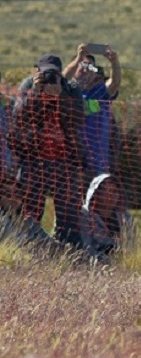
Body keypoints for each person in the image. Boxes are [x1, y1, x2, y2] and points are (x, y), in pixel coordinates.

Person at [8, 54, 86, 247]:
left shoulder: (70, 88)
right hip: (33, 159)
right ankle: (30, 248)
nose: (50, 77)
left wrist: (61, 95)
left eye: (54, 73)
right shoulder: (28, 86)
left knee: (69, 214)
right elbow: (19, 117)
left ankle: (71, 252)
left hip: (65, 161)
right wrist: (36, 92)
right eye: (46, 73)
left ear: (61, 74)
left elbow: (78, 119)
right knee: (29, 211)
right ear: (37, 72)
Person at [62, 44, 122, 177]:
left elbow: (115, 82)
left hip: (99, 160)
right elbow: (62, 79)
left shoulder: (99, 92)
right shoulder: (67, 91)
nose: (86, 70)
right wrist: (79, 57)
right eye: (82, 66)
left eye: (90, 67)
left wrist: (114, 61)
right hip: (72, 160)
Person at [79, 173, 134, 261]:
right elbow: (87, 248)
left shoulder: (126, 217)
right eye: (105, 191)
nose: (111, 196)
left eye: (114, 191)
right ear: (95, 193)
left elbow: (131, 248)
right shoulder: (85, 216)